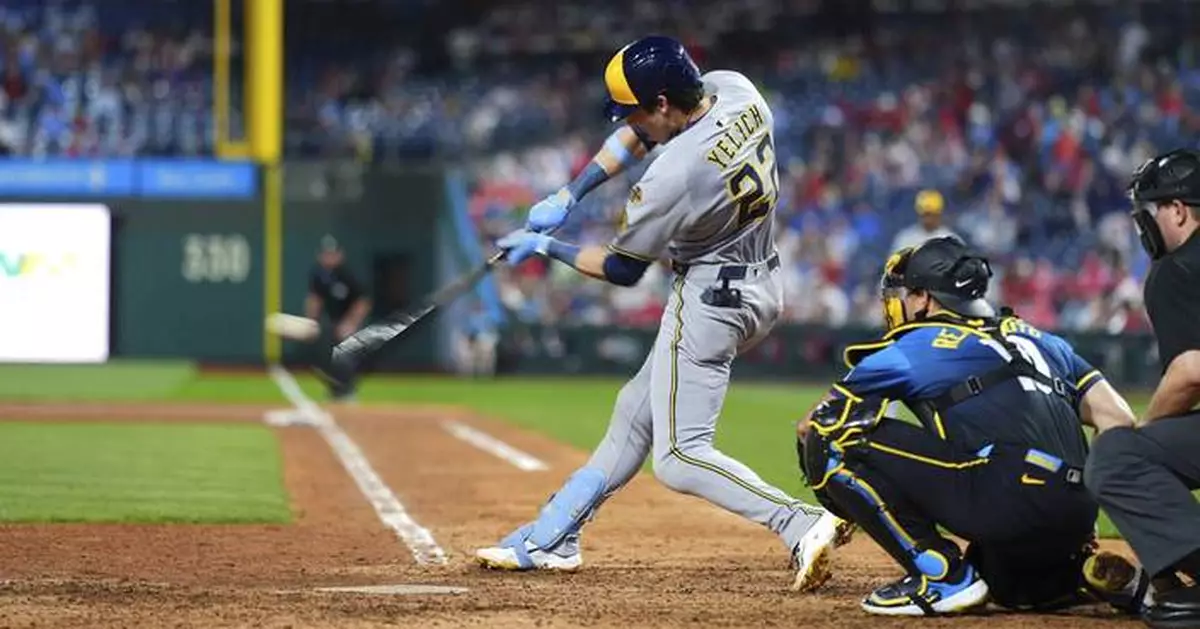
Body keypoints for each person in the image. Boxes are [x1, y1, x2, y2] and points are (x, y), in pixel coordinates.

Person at [473, 35, 851, 591]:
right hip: (762, 278)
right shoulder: (736, 90)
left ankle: (799, 521)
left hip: (710, 299)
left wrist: (546, 246)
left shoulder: (673, 174)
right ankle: (556, 537)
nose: (630, 123)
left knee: (678, 456)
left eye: (637, 111)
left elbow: (623, 270)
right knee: (634, 411)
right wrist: (570, 194)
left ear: (665, 105)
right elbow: (639, 133)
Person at [796, 236, 1140, 616]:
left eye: (905, 294)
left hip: (1007, 499)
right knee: (1005, 587)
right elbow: (1119, 418)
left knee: (829, 433)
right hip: (1076, 515)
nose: (897, 304)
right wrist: (1085, 501)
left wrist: (843, 506)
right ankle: (1067, 576)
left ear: (924, 298)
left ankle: (940, 576)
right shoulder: (1043, 340)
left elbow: (814, 423)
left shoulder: (917, 342)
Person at [1084, 148, 1200, 629]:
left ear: (1176, 210)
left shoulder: (1178, 269)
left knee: (1116, 456)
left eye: (1150, 210)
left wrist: (1144, 432)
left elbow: (1192, 370)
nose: (1144, 224)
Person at [305, 235, 371, 402]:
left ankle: (347, 391)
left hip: (349, 320)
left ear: (340, 254)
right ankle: (335, 389)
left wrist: (351, 323)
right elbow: (315, 299)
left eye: (332, 253)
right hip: (331, 321)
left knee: (345, 355)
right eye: (326, 253)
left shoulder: (347, 274)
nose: (329, 257)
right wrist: (310, 322)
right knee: (321, 356)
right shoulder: (318, 274)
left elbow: (363, 301)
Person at [890, 189, 959, 253]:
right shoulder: (906, 239)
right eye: (925, 215)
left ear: (939, 215)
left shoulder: (951, 240)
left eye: (931, 214)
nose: (928, 220)